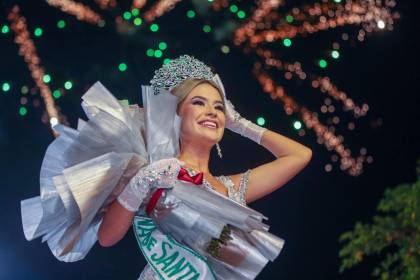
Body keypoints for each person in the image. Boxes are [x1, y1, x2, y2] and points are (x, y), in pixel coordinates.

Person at [20, 55, 311, 279]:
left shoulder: (232, 187)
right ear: (177, 117)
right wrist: (139, 184)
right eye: (199, 103)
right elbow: (107, 237)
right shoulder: (152, 169)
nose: (212, 111)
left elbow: (299, 155)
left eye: (219, 107)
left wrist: (242, 124)